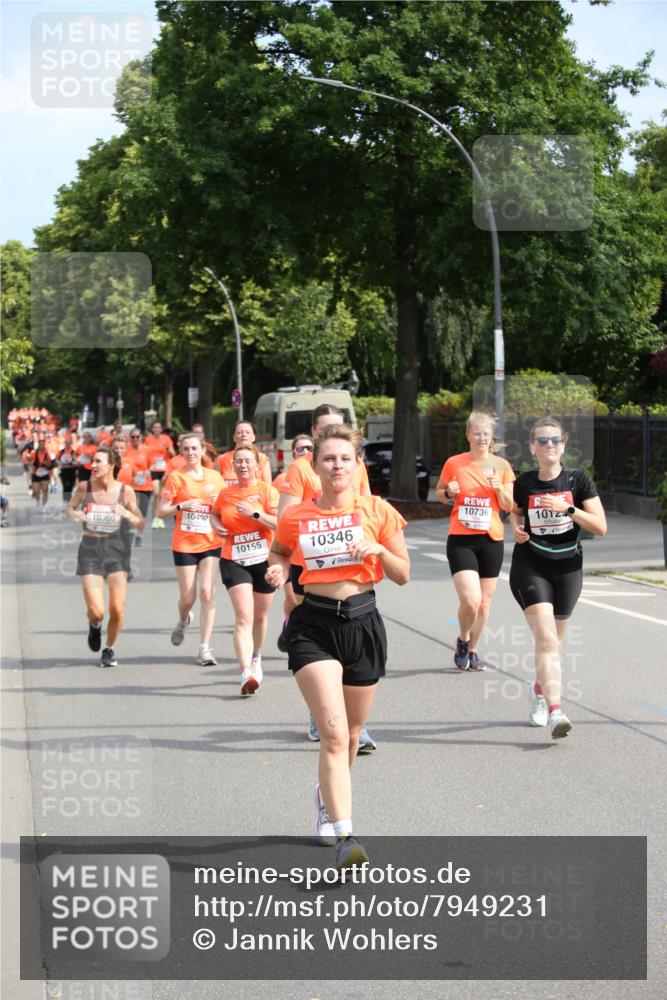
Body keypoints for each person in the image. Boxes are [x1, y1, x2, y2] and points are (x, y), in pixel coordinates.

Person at [267, 425, 409, 870]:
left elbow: (402, 573)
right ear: (315, 465)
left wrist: (376, 550)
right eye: (328, 458)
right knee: (331, 732)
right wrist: (276, 572)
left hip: (363, 623)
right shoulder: (297, 516)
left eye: (345, 459)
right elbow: (279, 553)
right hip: (314, 626)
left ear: (357, 464)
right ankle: (347, 835)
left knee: (350, 734)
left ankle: (327, 798)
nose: (337, 466)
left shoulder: (378, 511)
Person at [278, 406, 376, 752]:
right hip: (310, 568)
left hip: (349, 568)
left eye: (340, 425)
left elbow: (363, 503)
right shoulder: (302, 468)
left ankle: (354, 728)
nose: (335, 430)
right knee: (318, 656)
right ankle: (322, 716)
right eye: (328, 427)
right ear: (315, 433)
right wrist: (287, 579)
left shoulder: (352, 464)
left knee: (353, 661)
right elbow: (284, 522)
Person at [509, 417, 607, 739]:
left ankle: (539, 689)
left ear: (563, 446)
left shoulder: (578, 481)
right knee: (547, 641)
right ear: (532, 447)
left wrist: (567, 510)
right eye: (542, 441)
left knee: (553, 644)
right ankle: (555, 711)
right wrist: (516, 529)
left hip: (567, 569)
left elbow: (600, 526)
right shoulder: (524, 483)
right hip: (530, 566)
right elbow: (516, 509)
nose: (549, 445)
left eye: (555, 440)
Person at [436, 411, 514, 671]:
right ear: (468, 435)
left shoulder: (501, 466)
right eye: (477, 433)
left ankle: (473, 650)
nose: (482, 438)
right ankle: (463, 638)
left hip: (491, 539)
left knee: (484, 603)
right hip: (461, 538)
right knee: (470, 599)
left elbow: (509, 505)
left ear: (492, 437)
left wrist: (499, 488)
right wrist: (449, 492)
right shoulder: (455, 463)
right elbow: (440, 493)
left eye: (486, 434)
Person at [66, 445, 144, 667]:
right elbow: (69, 507)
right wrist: (74, 513)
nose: (93, 465)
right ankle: (95, 625)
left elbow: (140, 523)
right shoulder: (84, 487)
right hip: (90, 548)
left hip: (117, 549)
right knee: (97, 610)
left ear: (111, 465)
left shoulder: (125, 491)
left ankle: (109, 648)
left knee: (117, 608)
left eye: (98, 461)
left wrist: (127, 513)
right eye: (93, 461)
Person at [211, 445, 279, 695]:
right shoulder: (225, 493)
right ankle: (245, 673)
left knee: (260, 617)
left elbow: (280, 522)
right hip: (234, 559)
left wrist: (256, 514)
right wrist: (216, 524)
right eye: (238, 461)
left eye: (247, 461)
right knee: (244, 617)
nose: (242, 465)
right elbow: (214, 512)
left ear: (257, 465)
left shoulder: (266, 491)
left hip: (263, 559)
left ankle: (256, 657)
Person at [157, 434, 225, 666]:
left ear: (202, 450)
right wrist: (182, 505)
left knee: (207, 592)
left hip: (210, 542)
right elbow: (161, 511)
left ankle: (204, 648)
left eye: (195, 448)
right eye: (186, 449)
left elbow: (225, 506)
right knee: (188, 597)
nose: (191, 452)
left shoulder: (216, 477)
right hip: (184, 543)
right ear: (181, 451)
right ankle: (184, 619)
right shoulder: (176, 477)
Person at [121, 428, 153, 545]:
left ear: (141, 437)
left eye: (137, 436)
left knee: (142, 511)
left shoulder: (147, 450)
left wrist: (149, 471)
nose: (135, 439)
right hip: (131, 485)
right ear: (130, 438)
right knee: (131, 509)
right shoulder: (126, 450)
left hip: (145, 484)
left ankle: (139, 535)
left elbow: (152, 465)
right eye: (133, 437)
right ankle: (130, 531)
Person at [217, 421, 272, 487]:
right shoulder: (222, 459)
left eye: (247, 432)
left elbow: (268, 486)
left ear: (253, 437)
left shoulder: (262, 459)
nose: (244, 435)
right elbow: (216, 485)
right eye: (239, 432)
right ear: (234, 437)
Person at [145, 420, 175, 529]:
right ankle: (155, 517)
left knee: (162, 495)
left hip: (164, 468)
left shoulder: (166, 439)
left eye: (159, 427)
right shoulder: (147, 440)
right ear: (152, 429)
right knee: (156, 493)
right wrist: (147, 467)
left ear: (161, 429)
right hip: (154, 469)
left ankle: (160, 519)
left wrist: (166, 447)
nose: (157, 429)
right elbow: (145, 453)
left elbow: (173, 454)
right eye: (155, 427)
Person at [29, 434, 57, 509]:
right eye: (40, 444)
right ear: (38, 444)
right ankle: (37, 501)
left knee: (45, 490)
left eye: (43, 444)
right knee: (36, 491)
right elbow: (30, 462)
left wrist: (46, 463)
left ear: (44, 445)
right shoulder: (34, 453)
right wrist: (32, 463)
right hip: (36, 473)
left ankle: (44, 505)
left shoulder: (47, 453)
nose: (41, 445)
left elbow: (51, 464)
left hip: (45, 473)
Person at [57, 434, 78, 499]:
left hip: (71, 470)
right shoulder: (61, 451)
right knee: (65, 485)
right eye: (66, 443)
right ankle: (65, 501)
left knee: (70, 486)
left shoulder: (73, 452)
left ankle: (69, 498)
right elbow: (57, 459)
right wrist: (60, 463)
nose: (67, 444)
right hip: (63, 471)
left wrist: (71, 462)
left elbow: (76, 461)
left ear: (71, 443)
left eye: (68, 443)